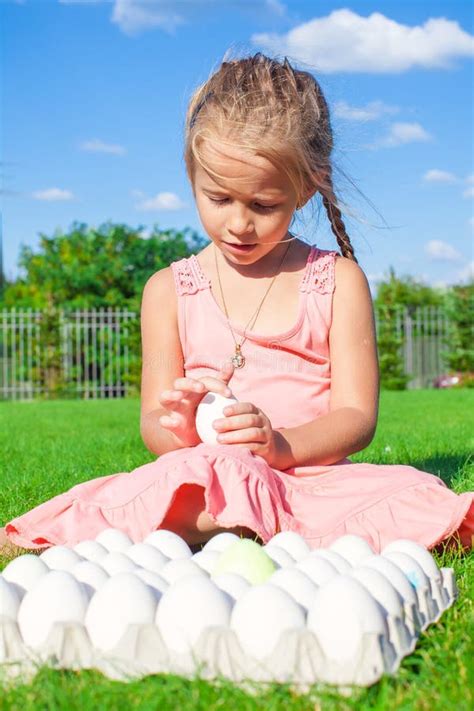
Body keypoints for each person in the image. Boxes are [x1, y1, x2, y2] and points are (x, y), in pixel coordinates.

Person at [1, 52, 473, 557]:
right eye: (219, 198)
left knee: (408, 491)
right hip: (205, 469)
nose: (239, 224)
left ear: (307, 189)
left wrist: (280, 446)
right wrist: (181, 427)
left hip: (309, 479)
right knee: (205, 473)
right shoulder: (168, 290)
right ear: (191, 178)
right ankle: (242, 524)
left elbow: (357, 415)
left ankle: (220, 526)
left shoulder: (338, 281)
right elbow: (153, 426)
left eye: (264, 205)